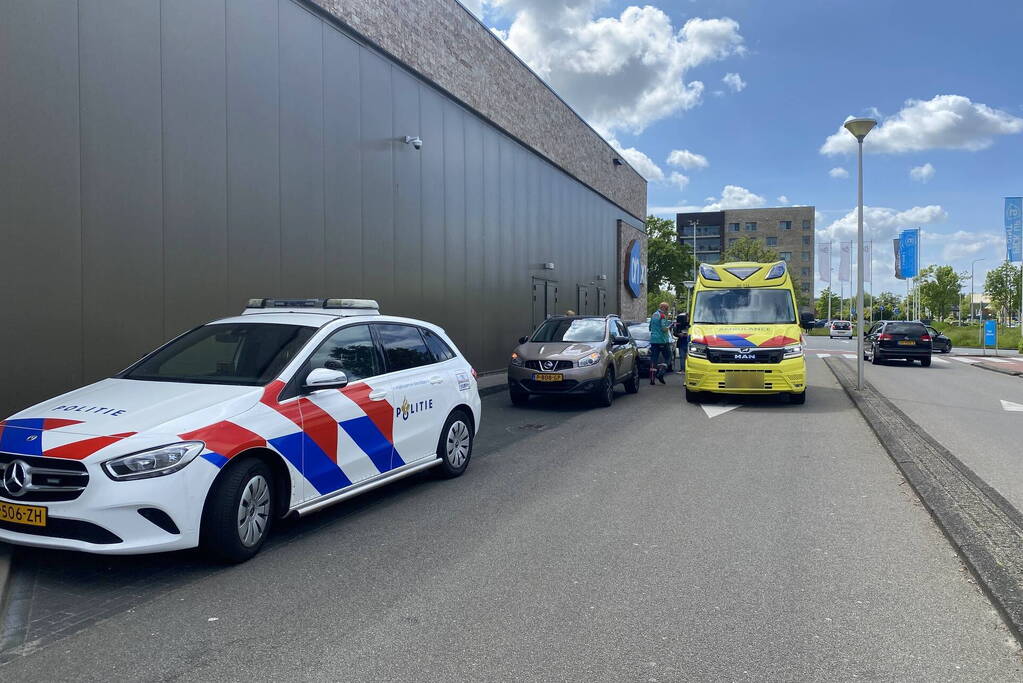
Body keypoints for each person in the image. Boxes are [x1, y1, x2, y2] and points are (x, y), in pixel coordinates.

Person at [648, 302, 672, 384]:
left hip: (653, 340)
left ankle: (652, 379)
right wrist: (669, 326)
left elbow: (650, 328)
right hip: (662, 340)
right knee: (668, 356)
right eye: (667, 308)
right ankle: (661, 372)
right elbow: (663, 328)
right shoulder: (662, 316)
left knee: (654, 359)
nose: (667, 310)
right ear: (664, 308)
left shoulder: (653, 315)